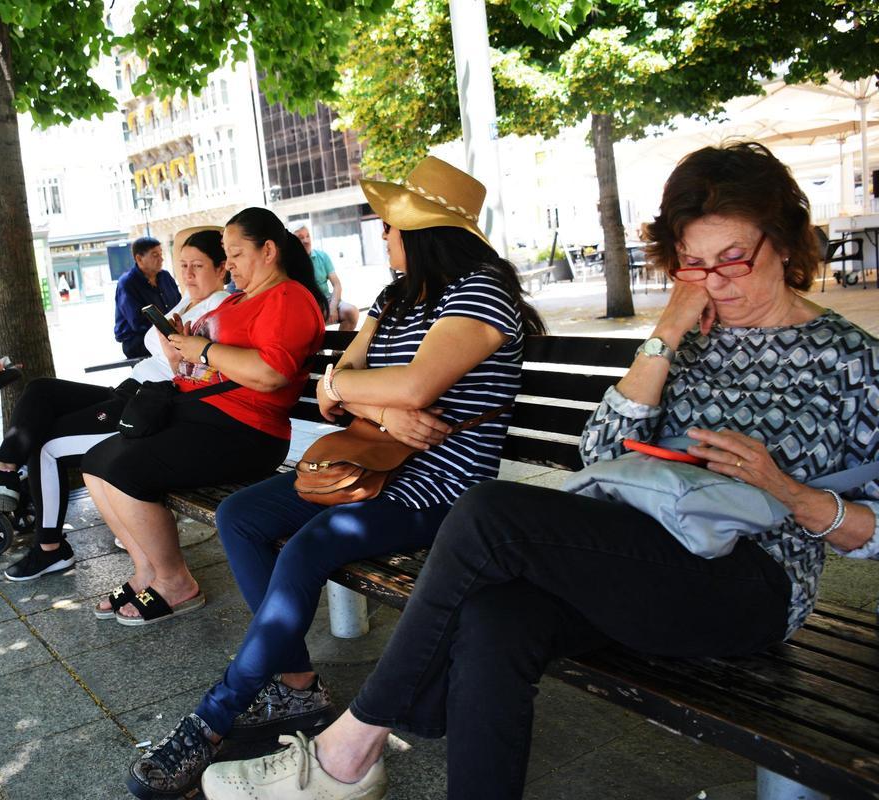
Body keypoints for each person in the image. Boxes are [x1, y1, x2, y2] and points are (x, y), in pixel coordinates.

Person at [198, 141, 879, 800]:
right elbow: (601, 451)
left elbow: (871, 534)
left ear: (787, 242)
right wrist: (664, 335)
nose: (713, 283)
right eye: (691, 265)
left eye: (732, 260)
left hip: (747, 587)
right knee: (496, 616)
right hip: (640, 555)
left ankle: (347, 750)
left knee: (489, 513)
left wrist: (788, 492)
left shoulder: (851, 359)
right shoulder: (689, 337)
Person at [127, 156, 547, 800]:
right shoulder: (395, 297)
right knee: (241, 516)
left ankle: (214, 716)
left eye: (389, 227)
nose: (382, 237)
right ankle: (296, 688)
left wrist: (374, 393)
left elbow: (415, 383)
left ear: (425, 231)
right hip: (361, 464)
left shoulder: (483, 294)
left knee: (309, 544)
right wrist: (380, 405)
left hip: (440, 489)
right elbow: (332, 391)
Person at [81, 207, 327, 629]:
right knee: (95, 462)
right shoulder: (238, 299)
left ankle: (175, 582)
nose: (228, 263)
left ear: (268, 250)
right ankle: (146, 572)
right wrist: (180, 354)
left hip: (248, 431)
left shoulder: (288, 298)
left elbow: (271, 374)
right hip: (204, 414)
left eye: (235, 253)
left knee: (125, 470)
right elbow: (203, 369)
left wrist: (205, 350)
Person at [0, 228, 232, 581]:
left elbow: (197, 375)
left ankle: (49, 548)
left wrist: (175, 351)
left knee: (46, 444)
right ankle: (2, 471)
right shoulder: (185, 301)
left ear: (222, 269)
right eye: (182, 264)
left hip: (151, 404)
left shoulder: (219, 309)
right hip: (129, 388)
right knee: (41, 390)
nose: (186, 272)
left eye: (198, 266)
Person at [115, 236, 182, 358]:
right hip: (138, 341)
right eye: (155, 255)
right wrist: (167, 333)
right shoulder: (127, 283)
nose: (161, 259)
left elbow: (179, 304)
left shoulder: (165, 277)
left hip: (168, 335)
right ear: (139, 258)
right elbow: (137, 322)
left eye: (161, 254)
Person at [294, 223, 359, 331]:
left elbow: (337, 284)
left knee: (352, 312)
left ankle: (337, 348)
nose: (306, 240)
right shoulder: (290, 264)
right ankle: (318, 347)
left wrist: (332, 307)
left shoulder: (322, 256)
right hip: (305, 307)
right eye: (300, 238)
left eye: (308, 236)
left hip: (327, 301)